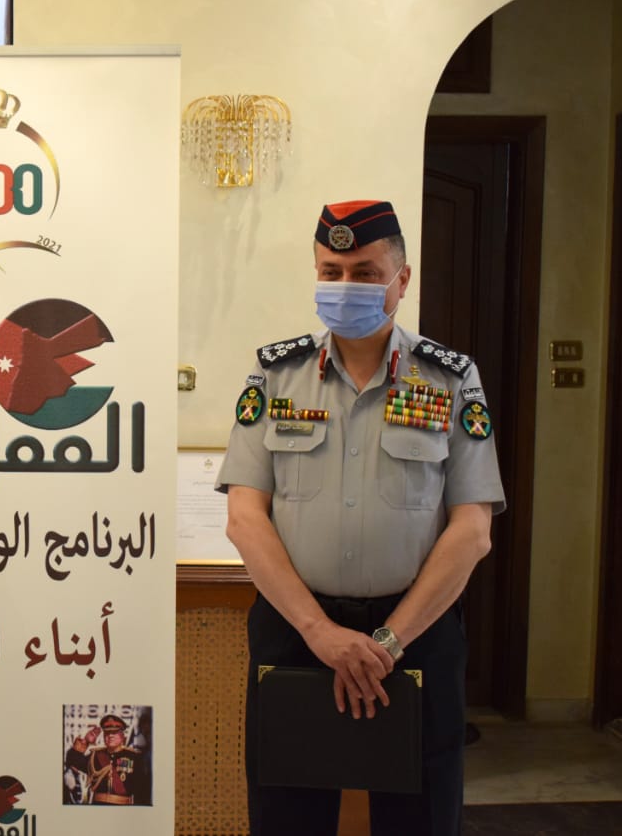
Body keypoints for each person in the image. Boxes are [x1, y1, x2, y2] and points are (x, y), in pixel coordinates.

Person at [217, 200, 505, 836]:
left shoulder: (451, 379)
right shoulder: (275, 375)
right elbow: (245, 518)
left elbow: (472, 528)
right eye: (332, 271)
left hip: (416, 634)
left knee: (421, 819)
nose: (346, 286)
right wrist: (320, 632)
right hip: (297, 634)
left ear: (402, 280)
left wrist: (389, 642)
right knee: (288, 817)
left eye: (366, 273)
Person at [64, 714, 150, 805]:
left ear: (122, 735)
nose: (110, 736)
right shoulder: (95, 756)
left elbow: (142, 791)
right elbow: (73, 761)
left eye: (115, 732)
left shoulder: (134, 757)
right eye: (107, 732)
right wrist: (86, 741)